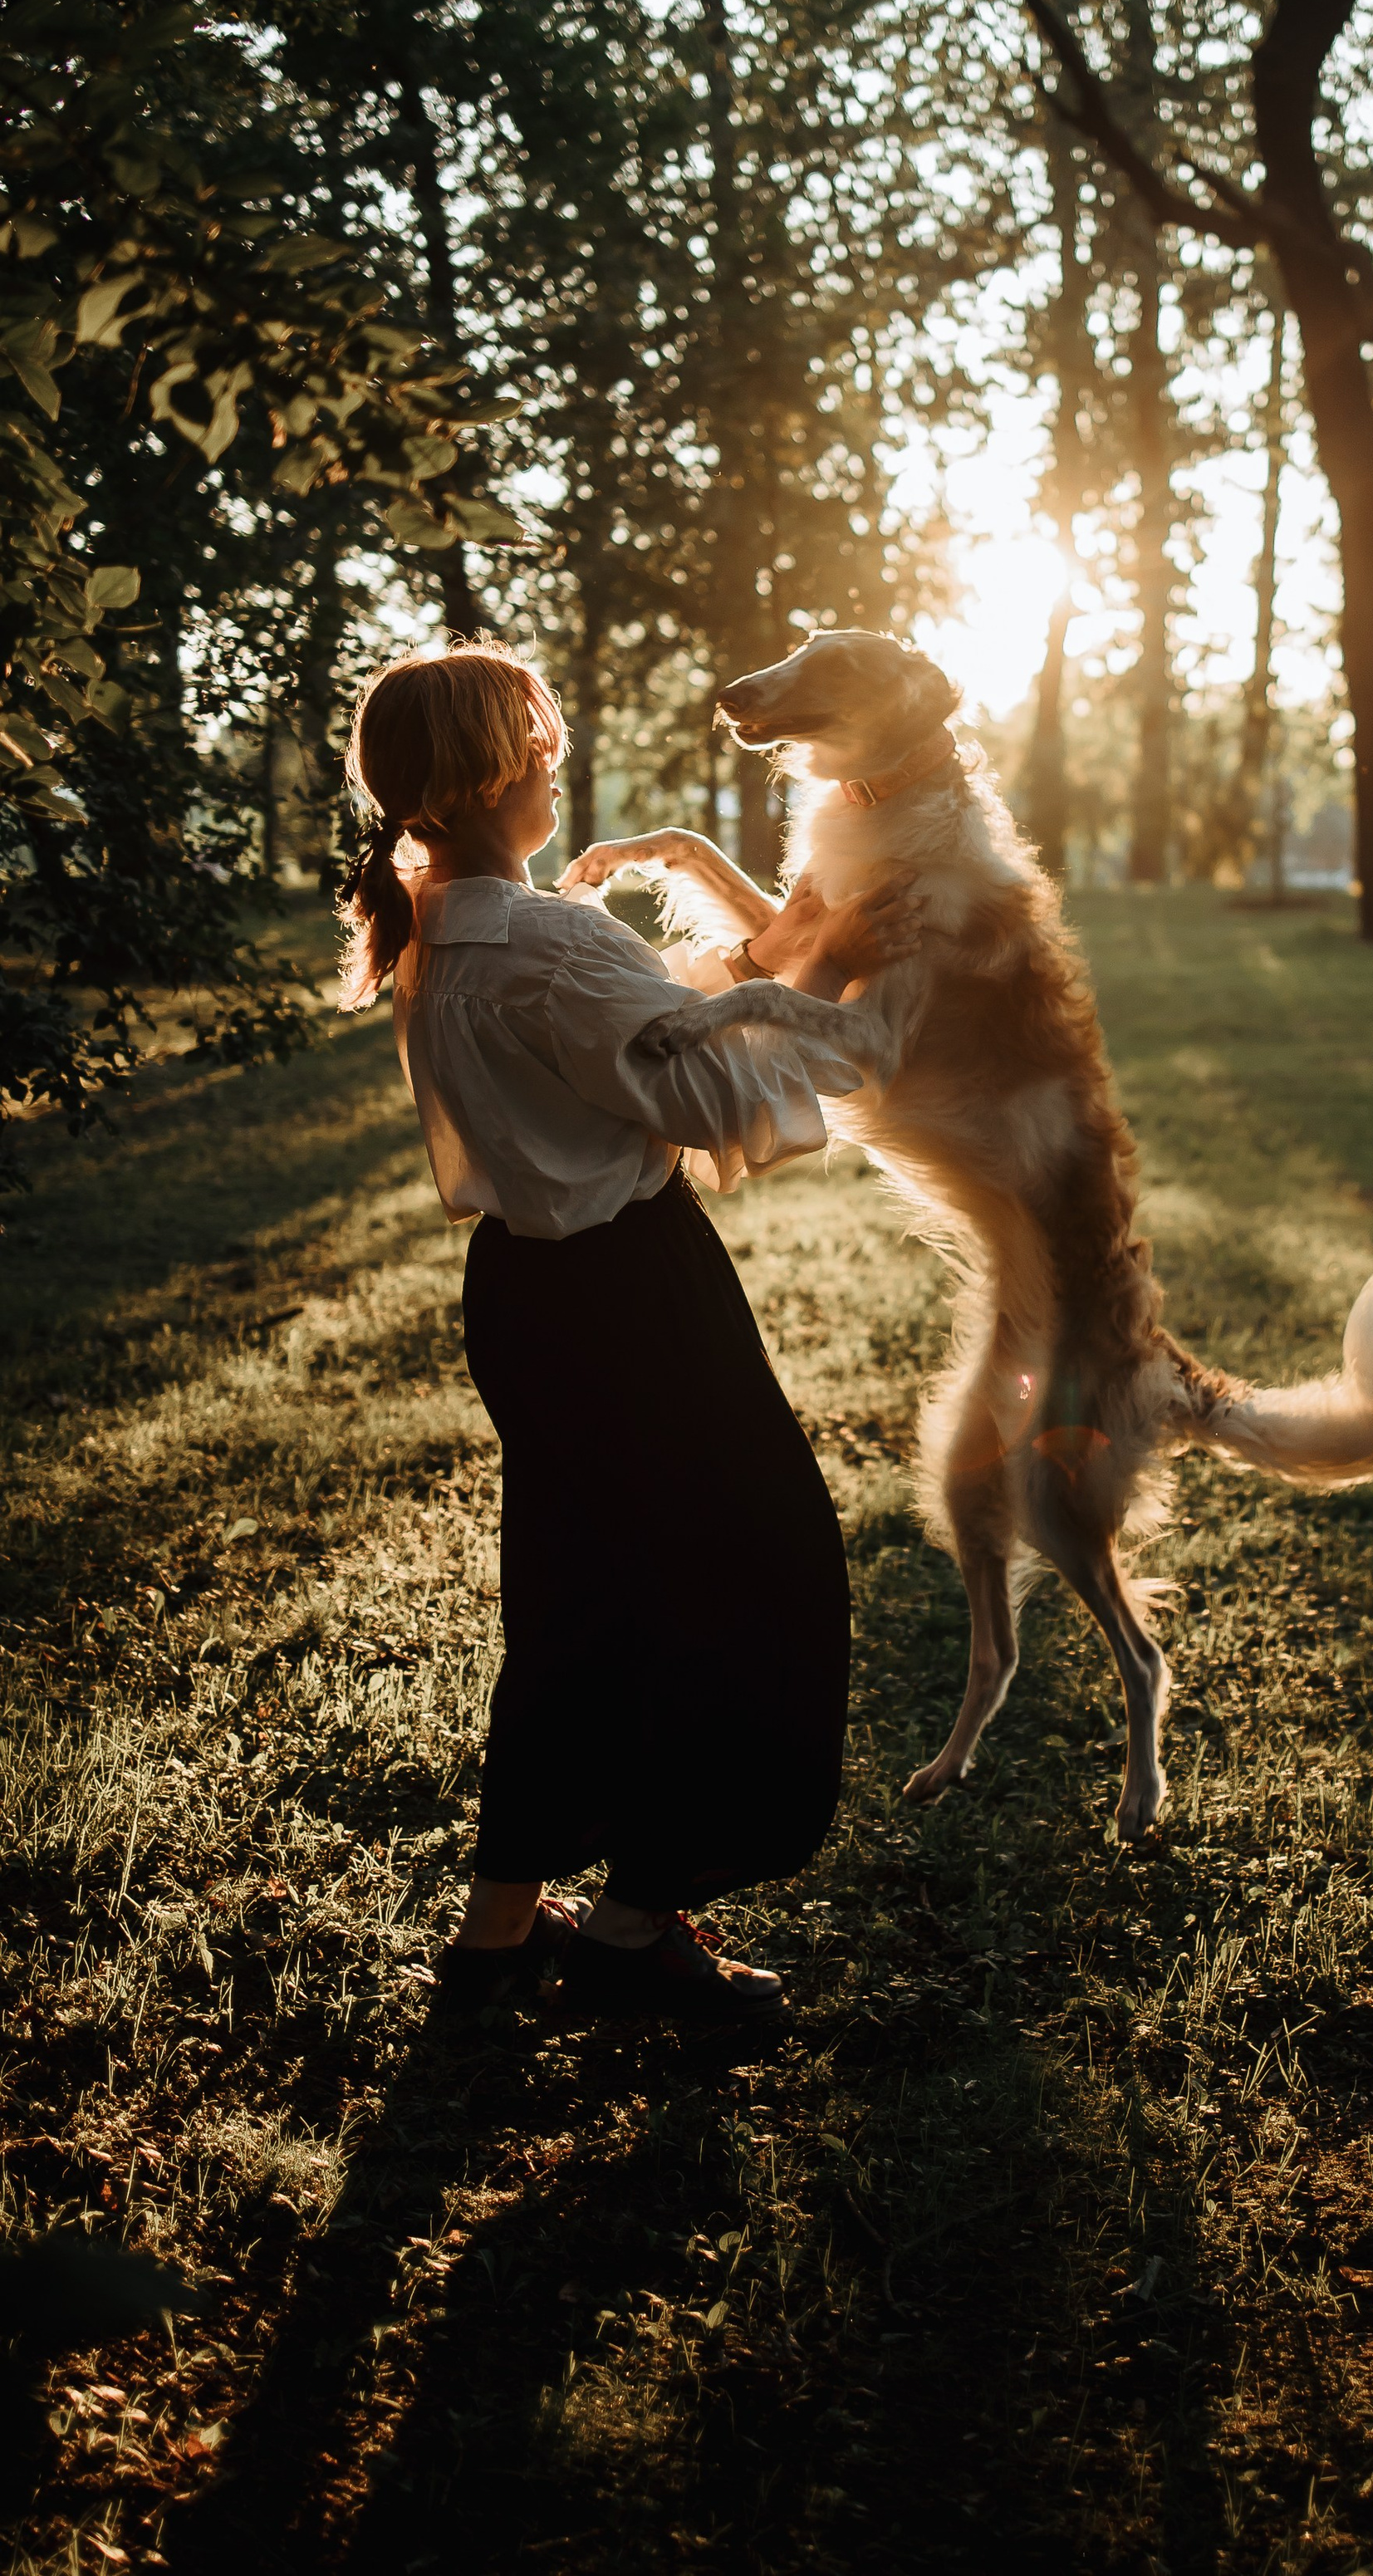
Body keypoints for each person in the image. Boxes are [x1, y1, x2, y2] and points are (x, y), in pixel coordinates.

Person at [338, 638, 915, 2038]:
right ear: (487, 771)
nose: (555, 762)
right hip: (634, 1297)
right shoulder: (546, 942)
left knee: (574, 1600)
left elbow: (617, 1034)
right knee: (756, 1583)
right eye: (534, 744)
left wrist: (696, 975)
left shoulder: (438, 922)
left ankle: (492, 1941)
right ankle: (630, 1931)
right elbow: (720, 1102)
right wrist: (859, 997)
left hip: (524, 1301)